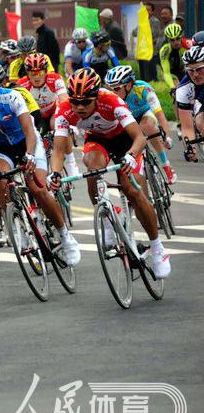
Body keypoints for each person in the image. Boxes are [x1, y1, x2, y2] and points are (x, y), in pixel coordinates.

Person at [50, 68, 170, 279]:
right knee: (93, 166)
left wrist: (132, 156)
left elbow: (140, 138)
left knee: (133, 190)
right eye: (75, 101)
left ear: (97, 95)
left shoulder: (111, 101)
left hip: (126, 140)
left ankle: (157, 247)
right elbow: (58, 150)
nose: (79, 107)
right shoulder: (64, 110)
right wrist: (55, 174)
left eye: (85, 101)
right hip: (98, 140)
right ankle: (106, 219)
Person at [0, 65, 80, 263]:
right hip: (1, 147)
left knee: (38, 188)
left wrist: (31, 155)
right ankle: (17, 224)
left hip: (27, 142)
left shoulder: (12, 97)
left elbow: (29, 130)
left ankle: (65, 237)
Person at [105, 65, 176, 184]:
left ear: (128, 85)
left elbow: (160, 115)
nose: (113, 92)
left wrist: (167, 136)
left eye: (116, 88)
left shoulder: (143, 88)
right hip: (129, 120)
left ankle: (166, 165)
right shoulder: (111, 97)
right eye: (110, 88)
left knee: (146, 125)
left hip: (146, 114)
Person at [17, 53, 80, 178]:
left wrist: (71, 123)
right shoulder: (22, 85)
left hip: (53, 111)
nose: (36, 77)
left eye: (40, 72)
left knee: (59, 124)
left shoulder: (55, 79)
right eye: (33, 73)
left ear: (46, 71)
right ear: (27, 73)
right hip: (35, 116)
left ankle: (70, 161)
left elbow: (65, 101)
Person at [176, 46, 204, 161]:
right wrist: (190, 147)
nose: (195, 75)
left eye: (199, 69)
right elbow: (187, 127)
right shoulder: (183, 88)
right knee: (200, 121)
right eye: (190, 71)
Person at [158, 23, 188, 88]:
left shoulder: (188, 45)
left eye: (177, 38)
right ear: (168, 39)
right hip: (172, 73)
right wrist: (172, 88)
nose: (175, 42)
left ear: (181, 37)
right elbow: (166, 73)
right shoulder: (164, 51)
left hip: (186, 70)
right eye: (172, 40)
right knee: (176, 89)